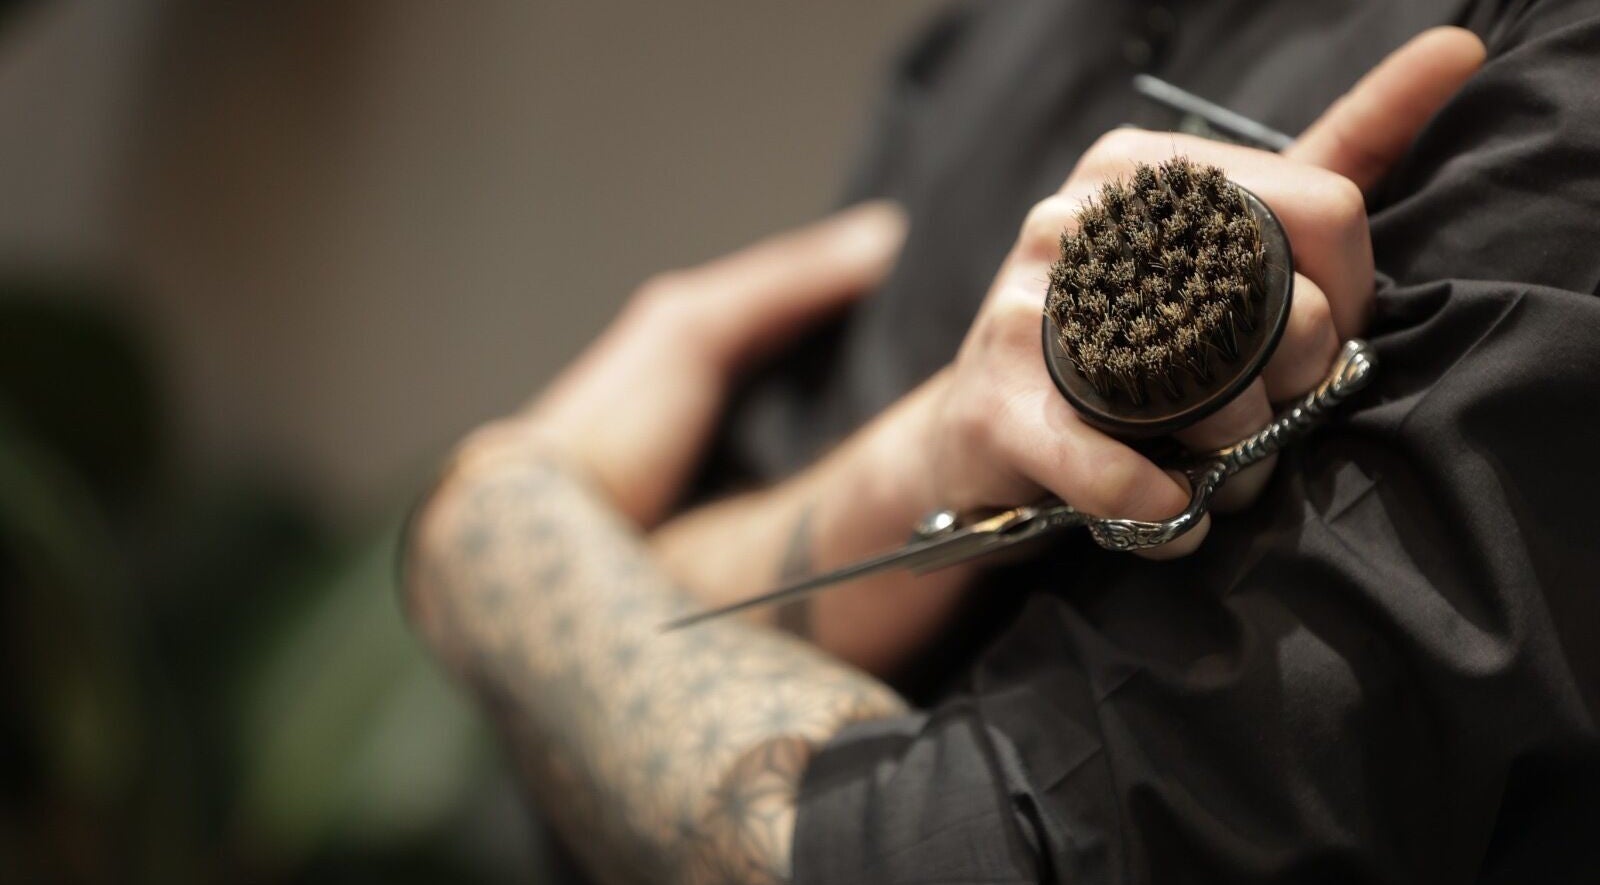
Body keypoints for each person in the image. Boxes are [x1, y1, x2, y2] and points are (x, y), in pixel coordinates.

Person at [404, 2, 1600, 882]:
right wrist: (916, 465)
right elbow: (656, 629)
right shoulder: (992, 43)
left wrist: (498, 539)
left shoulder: (1559, 78)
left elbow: (982, 849)